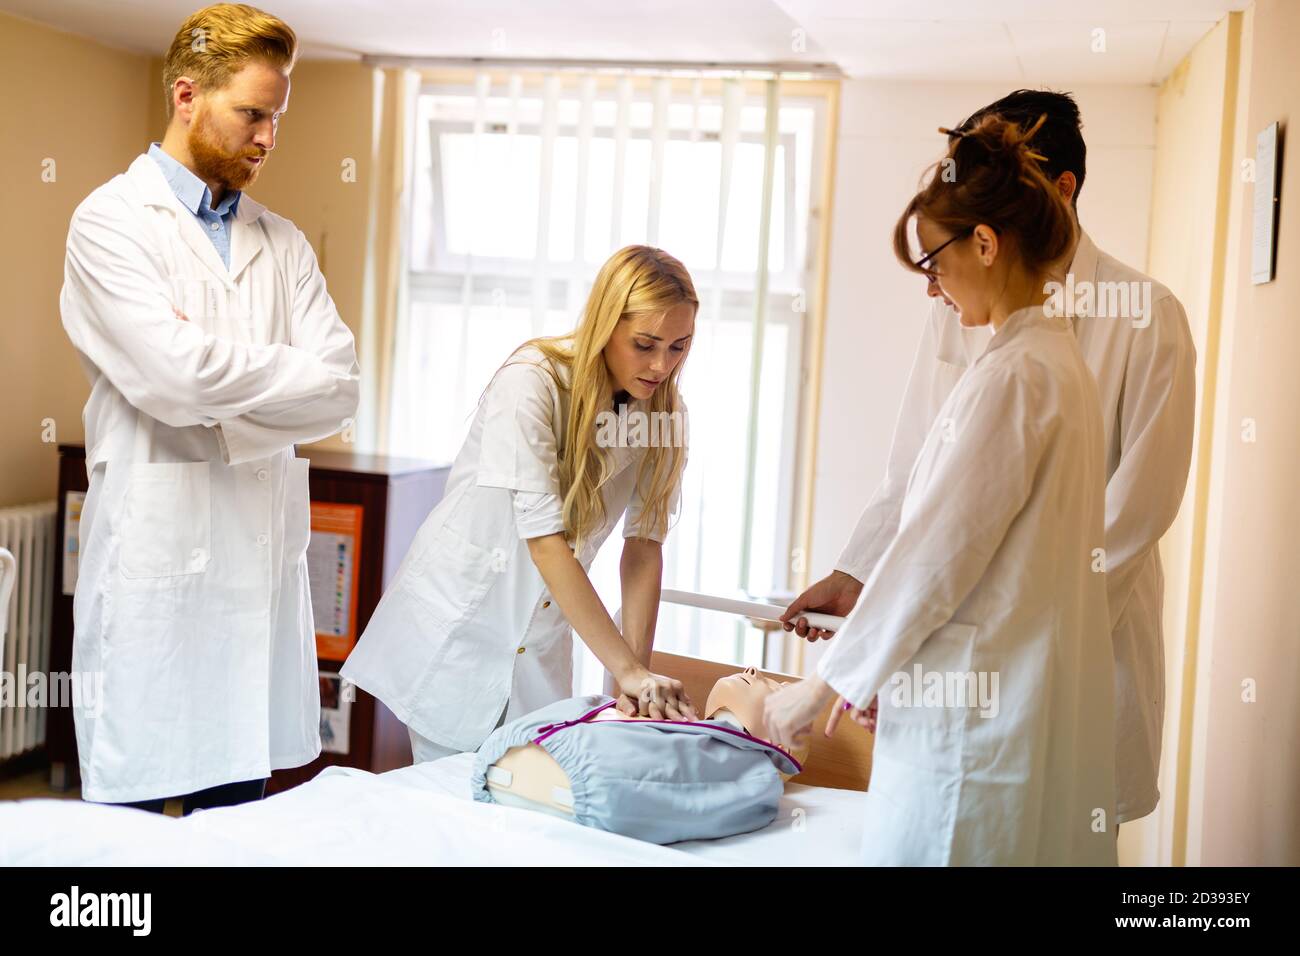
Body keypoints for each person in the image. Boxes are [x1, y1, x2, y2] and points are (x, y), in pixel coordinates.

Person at [784, 90, 1195, 829]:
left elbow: (1136, 513)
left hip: (1067, 642)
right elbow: (920, 463)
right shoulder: (978, 308)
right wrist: (860, 577)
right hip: (986, 642)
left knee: (1056, 821)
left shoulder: (1138, 317)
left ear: (1057, 190)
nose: (931, 284)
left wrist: (1030, 644)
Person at [60, 3, 360, 812]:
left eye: (277, 117)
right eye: (252, 114)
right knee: (131, 841)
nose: (267, 137)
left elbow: (339, 387)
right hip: (160, 571)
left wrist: (209, 384)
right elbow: (172, 378)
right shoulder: (109, 224)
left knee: (242, 819)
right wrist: (266, 381)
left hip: (255, 584)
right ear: (188, 96)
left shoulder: (283, 241)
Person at [342, 246, 699, 764]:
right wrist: (628, 670)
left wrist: (634, 683)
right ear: (605, 325)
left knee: (526, 814)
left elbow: (643, 548)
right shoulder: (532, 382)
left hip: (541, 643)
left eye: (678, 347)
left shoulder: (664, 414)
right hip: (461, 629)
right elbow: (547, 544)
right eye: (645, 344)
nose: (661, 365)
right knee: (454, 814)